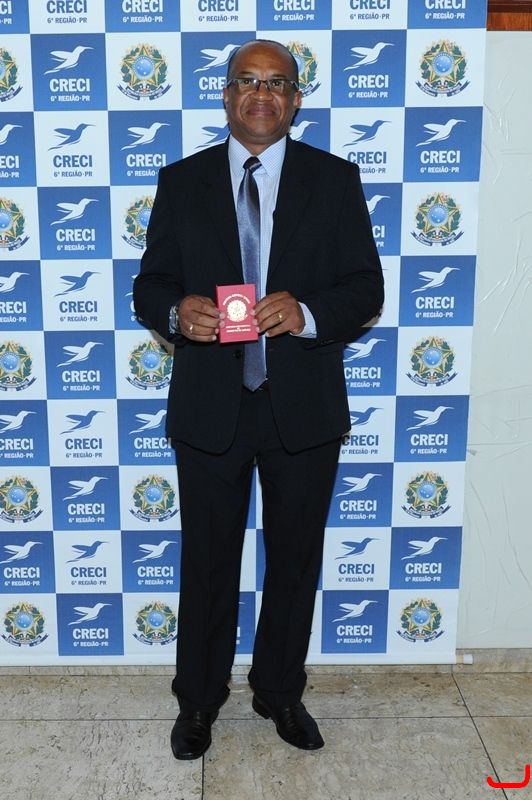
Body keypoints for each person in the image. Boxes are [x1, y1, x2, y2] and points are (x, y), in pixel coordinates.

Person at [133, 39, 384, 760]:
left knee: (295, 560)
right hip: (210, 404)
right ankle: (198, 700)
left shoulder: (334, 179)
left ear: (296, 99)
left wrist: (305, 312)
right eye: (248, 80)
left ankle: (279, 691)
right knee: (207, 563)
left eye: (277, 83)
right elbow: (150, 284)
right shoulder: (182, 180)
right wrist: (177, 311)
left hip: (301, 405)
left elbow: (365, 288)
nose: (262, 94)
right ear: (227, 94)